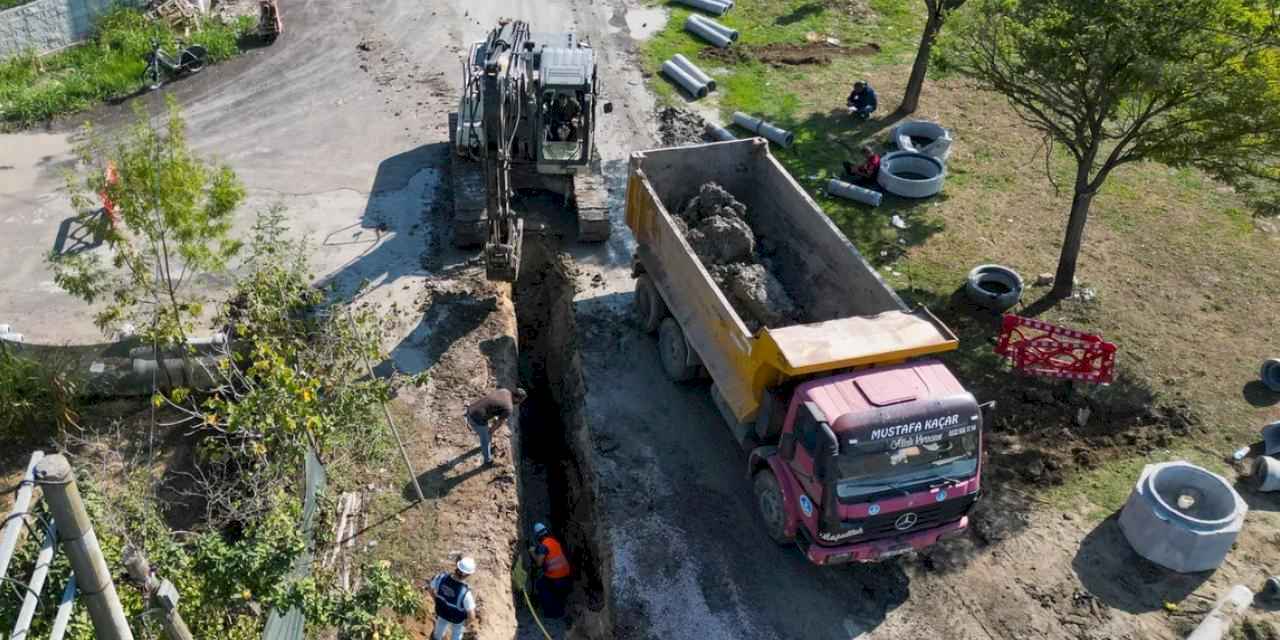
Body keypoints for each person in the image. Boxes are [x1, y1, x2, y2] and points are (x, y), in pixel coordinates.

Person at [466, 387, 527, 465]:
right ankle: (487, 461)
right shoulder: (508, 407)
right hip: (475, 418)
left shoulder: (504, 390)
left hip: (472, 408)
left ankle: (487, 447)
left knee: (487, 434)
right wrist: (491, 431)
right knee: (486, 439)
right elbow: (499, 423)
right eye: (521, 401)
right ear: (517, 398)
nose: (520, 403)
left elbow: (494, 402)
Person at [427, 557, 478, 640]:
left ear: (457, 567)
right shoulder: (465, 593)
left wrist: (436, 600)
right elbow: (472, 616)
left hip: (442, 612)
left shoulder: (441, 578)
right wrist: (465, 624)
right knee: (456, 634)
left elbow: (430, 588)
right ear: (468, 575)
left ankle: (437, 637)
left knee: (439, 630)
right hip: (457, 619)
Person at [528, 521, 572, 618]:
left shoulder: (543, 546)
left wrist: (532, 553)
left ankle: (550, 613)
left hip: (556, 577)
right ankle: (559, 610)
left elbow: (539, 564)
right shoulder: (553, 541)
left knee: (541, 585)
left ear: (538, 536)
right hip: (566, 574)